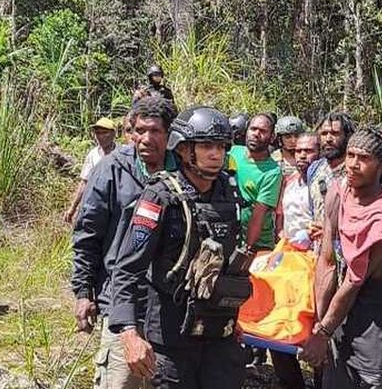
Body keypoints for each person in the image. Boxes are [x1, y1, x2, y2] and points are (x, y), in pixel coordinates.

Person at [108, 106, 251, 389]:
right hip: (171, 336)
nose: (216, 154)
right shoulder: (160, 196)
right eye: (207, 146)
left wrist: (232, 313)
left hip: (218, 334)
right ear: (184, 150)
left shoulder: (229, 193)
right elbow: (127, 269)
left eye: (221, 147)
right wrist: (128, 333)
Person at [71, 96, 177, 389]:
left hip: (169, 308)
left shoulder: (183, 172)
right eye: (139, 130)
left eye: (154, 131)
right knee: (120, 381)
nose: (145, 138)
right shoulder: (111, 169)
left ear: (169, 134)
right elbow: (87, 234)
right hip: (122, 301)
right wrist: (83, 291)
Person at [304, 127, 382, 389]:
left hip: (378, 339)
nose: (353, 164)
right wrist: (322, 323)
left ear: (381, 165)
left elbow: (354, 280)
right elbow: (327, 261)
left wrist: (322, 332)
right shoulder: (339, 192)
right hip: (340, 328)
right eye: (351, 155)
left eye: (363, 158)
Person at [269, 131, 320, 389]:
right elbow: (282, 218)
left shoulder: (326, 185)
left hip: (316, 262)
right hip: (288, 261)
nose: (303, 155)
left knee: (313, 326)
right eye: (299, 150)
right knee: (279, 323)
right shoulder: (289, 181)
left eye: (310, 150)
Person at [227, 113, 283, 252]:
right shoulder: (232, 153)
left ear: (272, 137)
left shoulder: (272, 172)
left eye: (263, 131)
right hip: (230, 237)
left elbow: (259, 214)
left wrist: (247, 248)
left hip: (258, 244)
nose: (256, 134)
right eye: (253, 129)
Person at [308, 112, 357, 245]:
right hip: (320, 251)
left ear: (348, 137)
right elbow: (314, 210)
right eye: (324, 134)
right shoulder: (314, 169)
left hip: (348, 251)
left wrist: (332, 232)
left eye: (335, 133)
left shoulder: (355, 171)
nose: (328, 139)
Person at [65, 117, 118, 225]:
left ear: (113, 134)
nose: (100, 137)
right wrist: (73, 208)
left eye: (104, 133)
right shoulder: (93, 155)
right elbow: (85, 182)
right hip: (96, 204)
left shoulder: (121, 153)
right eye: (97, 133)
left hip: (116, 205)